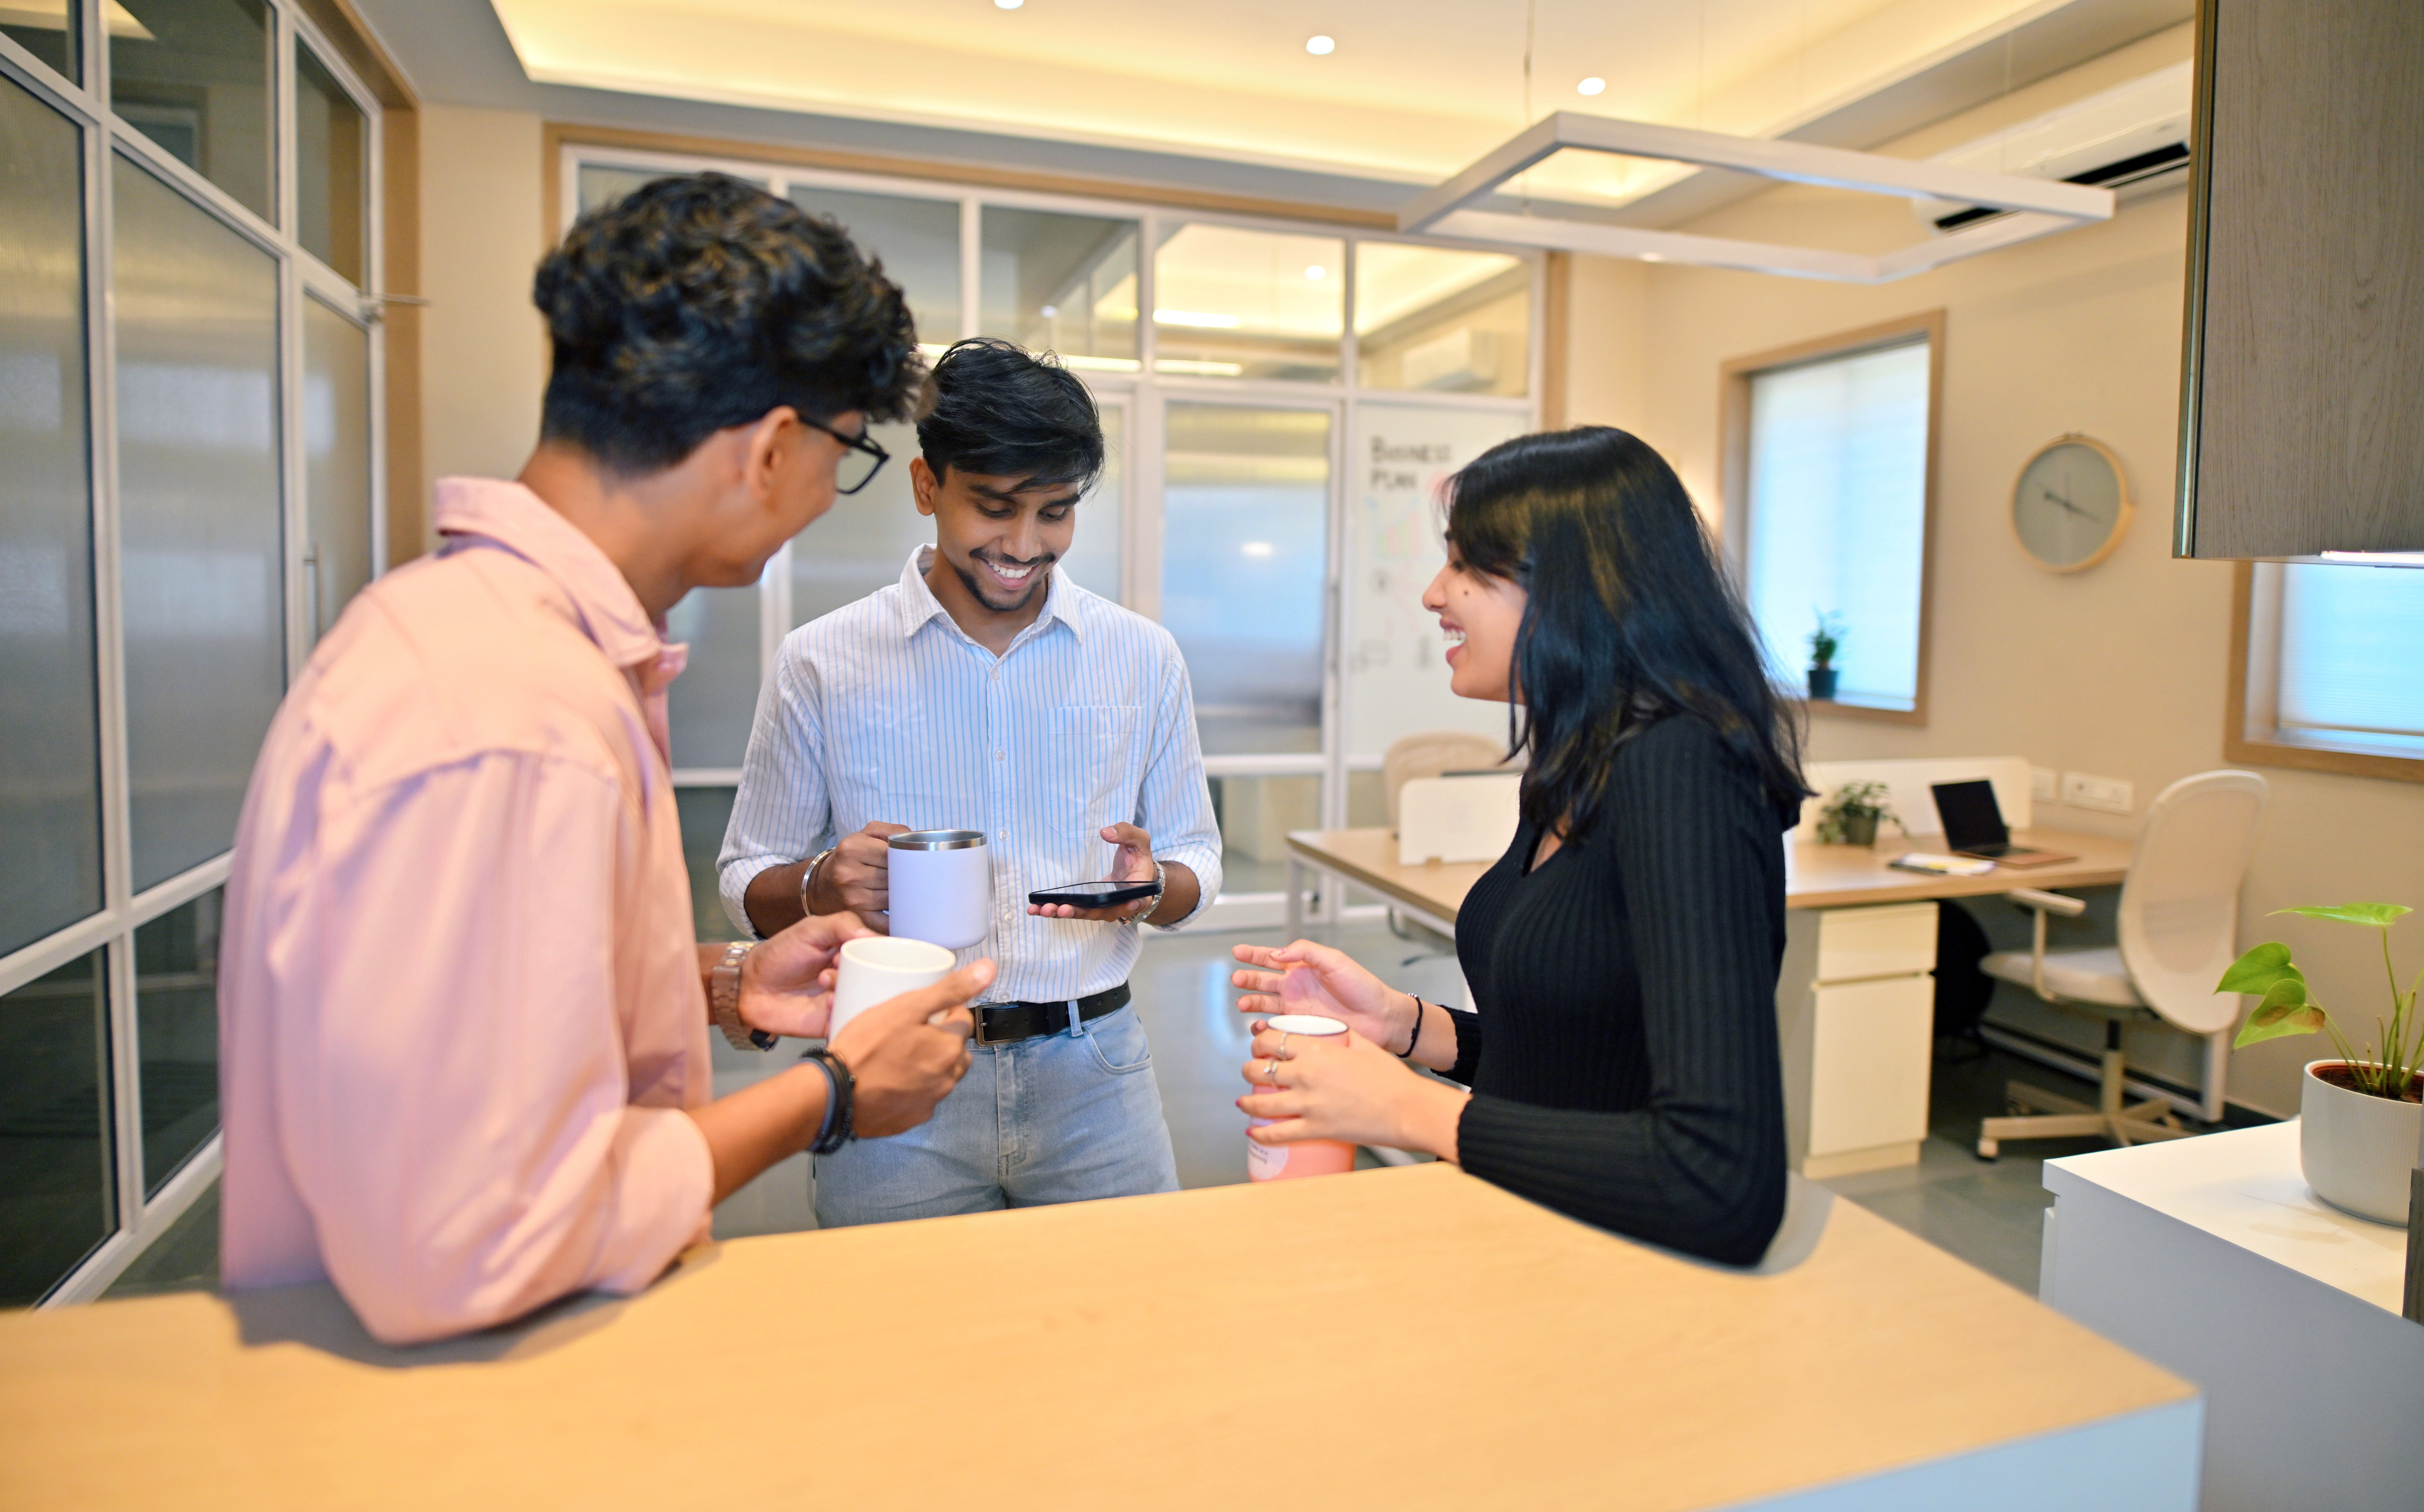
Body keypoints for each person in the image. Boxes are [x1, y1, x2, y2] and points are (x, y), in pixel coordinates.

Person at [218, 174, 994, 1345]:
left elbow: (460, 1024)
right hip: (454, 1389)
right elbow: (472, 1239)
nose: (830, 497)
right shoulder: (512, 716)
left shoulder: (467, 636)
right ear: (770, 448)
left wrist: (721, 983)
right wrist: (833, 1093)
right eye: (846, 453)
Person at [1230, 426, 1808, 1266]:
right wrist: (1405, 1025)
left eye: (1466, 565)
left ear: (1573, 585)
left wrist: (1405, 1109)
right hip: (1520, 1243)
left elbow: (1720, 1180)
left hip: (1617, 1278)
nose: (1434, 593)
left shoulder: (1684, 769)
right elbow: (1573, 1061)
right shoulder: (1577, 767)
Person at [719, 338, 1223, 1226]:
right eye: (994, 508)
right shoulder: (822, 661)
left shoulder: (1142, 657)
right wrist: (819, 885)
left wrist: (1151, 889)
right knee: (899, 1314)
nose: (1025, 546)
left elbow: (1196, 862)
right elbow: (745, 881)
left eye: (1056, 513)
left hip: (1096, 1069)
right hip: (892, 1060)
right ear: (927, 487)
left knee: (1132, 1308)